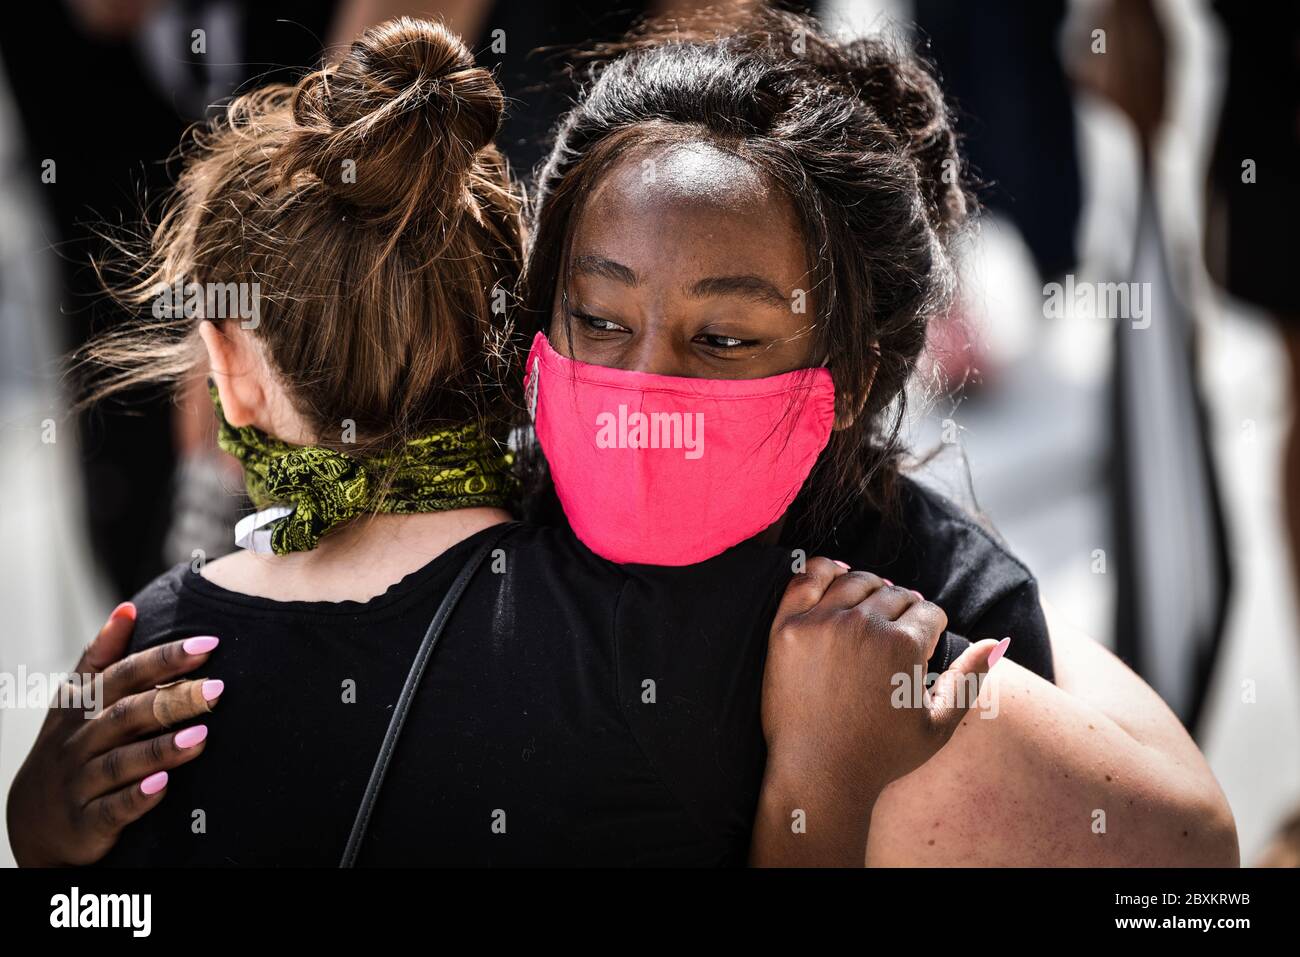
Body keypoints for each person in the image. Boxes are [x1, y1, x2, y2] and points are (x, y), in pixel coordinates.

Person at [9, 11, 1237, 868]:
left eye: (722, 343)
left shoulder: (898, 622)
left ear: (855, 375)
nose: (642, 384)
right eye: (597, 321)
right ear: (526, 321)